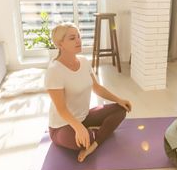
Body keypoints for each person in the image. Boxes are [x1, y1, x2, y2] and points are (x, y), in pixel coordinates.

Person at [45, 22, 132, 162]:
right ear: (60, 44)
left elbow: (97, 87)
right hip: (61, 126)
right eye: (72, 38)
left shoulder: (84, 61)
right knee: (84, 140)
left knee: (121, 109)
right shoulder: (54, 70)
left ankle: (94, 144)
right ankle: (93, 137)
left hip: (84, 117)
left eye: (79, 36)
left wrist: (119, 100)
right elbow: (61, 109)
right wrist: (78, 127)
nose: (78, 40)